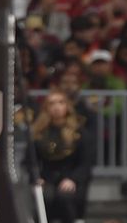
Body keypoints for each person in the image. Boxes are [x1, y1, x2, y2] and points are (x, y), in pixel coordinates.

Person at [31, 90, 94, 223]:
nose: (57, 107)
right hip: (46, 178)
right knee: (45, 196)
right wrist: (37, 177)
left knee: (64, 197)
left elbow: (85, 162)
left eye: (61, 102)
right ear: (46, 108)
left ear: (67, 106)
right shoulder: (38, 132)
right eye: (52, 103)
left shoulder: (80, 132)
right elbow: (30, 161)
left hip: (72, 177)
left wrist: (72, 179)